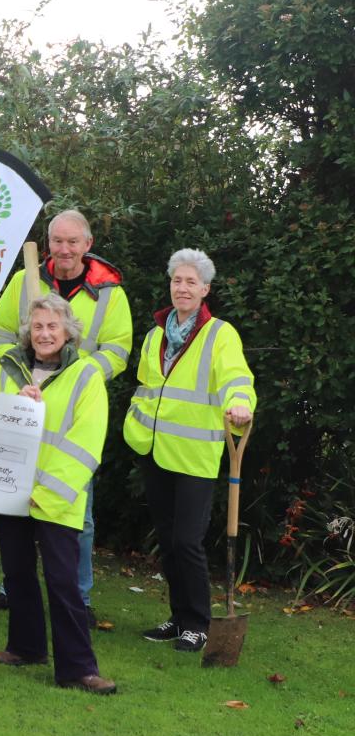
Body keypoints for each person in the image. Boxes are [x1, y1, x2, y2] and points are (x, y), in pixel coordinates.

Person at [0, 210, 132, 624]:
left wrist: (78, 376)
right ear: (47, 243)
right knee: (15, 503)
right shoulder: (23, 281)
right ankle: (14, 589)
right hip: (22, 403)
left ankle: (78, 598)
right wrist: (16, 370)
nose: (64, 250)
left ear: (88, 243)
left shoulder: (109, 293)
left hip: (72, 409)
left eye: (72, 242)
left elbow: (118, 348)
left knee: (75, 510)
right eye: (57, 241)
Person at [124, 248, 255, 652]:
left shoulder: (220, 334)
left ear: (205, 289)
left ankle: (198, 623)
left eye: (190, 282)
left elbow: (236, 376)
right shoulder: (155, 334)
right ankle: (178, 617)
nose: (182, 288)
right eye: (177, 281)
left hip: (195, 455)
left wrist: (240, 403)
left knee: (187, 542)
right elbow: (149, 385)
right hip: (154, 448)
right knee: (167, 539)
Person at [0, 294, 116, 695]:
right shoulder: (8, 370)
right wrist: (14, 405)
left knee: (63, 582)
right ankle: (25, 647)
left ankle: (78, 668)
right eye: (37, 326)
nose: (44, 334)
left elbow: (87, 442)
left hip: (57, 497)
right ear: (28, 332)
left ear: (67, 332)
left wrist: (48, 493)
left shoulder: (86, 375)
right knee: (18, 574)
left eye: (52, 327)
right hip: (11, 489)